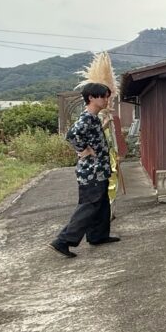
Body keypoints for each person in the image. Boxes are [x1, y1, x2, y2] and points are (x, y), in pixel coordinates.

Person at [50, 82, 119, 257]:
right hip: (91, 171)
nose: (105, 100)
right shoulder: (87, 117)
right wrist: (83, 150)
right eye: (103, 96)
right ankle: (63, 240)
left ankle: (98, 235)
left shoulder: (93, 118)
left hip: (99, 169)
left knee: (102, 203)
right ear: (91, 98)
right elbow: (72, 135)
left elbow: (90, 135)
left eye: (107, 97)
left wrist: (104, 126)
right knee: (89, 206)